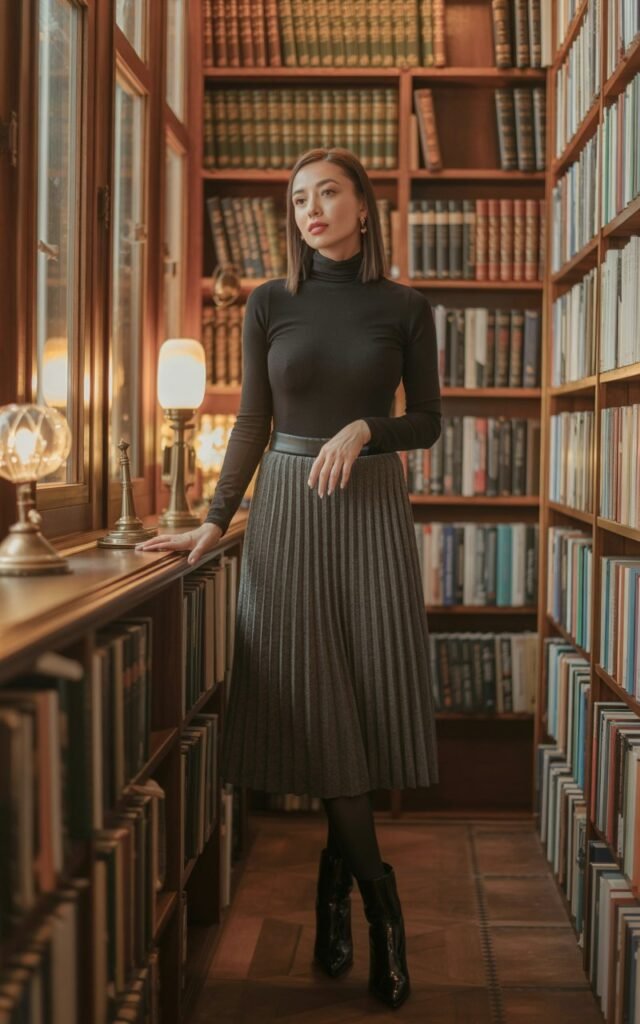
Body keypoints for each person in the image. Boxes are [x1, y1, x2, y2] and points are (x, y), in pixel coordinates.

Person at [136, 147, 442, 1010]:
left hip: (371, 512)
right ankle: (382, 910)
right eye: (299, 199)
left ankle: (337, 891)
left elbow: (427, 422)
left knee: (366, 702)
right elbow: (251, 424)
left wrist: (364, 433)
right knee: (315, 703)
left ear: (362, 205)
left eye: (327, 193)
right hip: (287, 519)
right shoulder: (271, 304)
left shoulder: (406, 307)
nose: (311, 210)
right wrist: (210, 519)